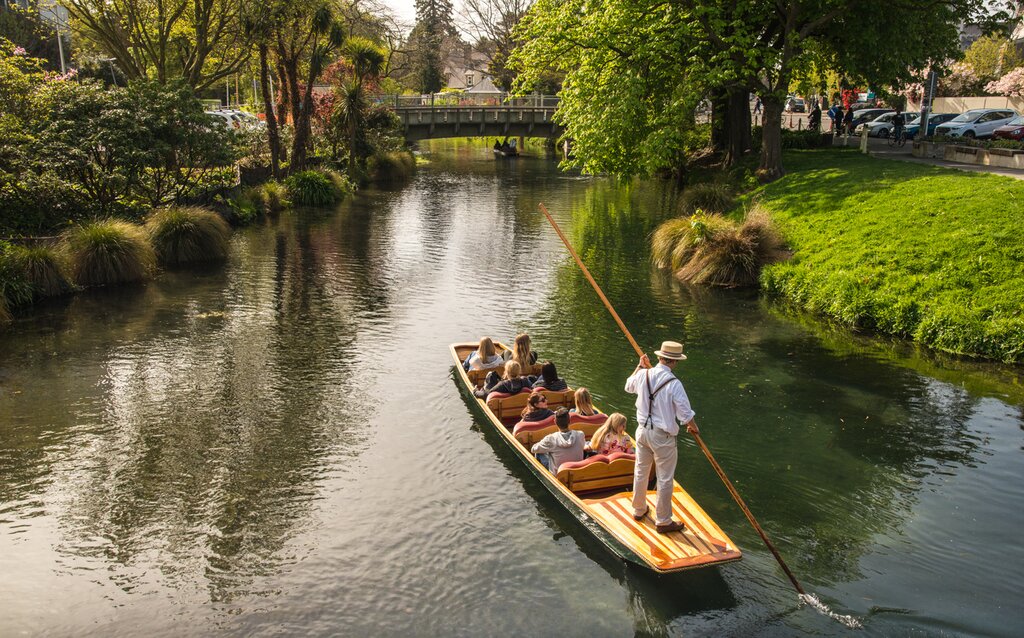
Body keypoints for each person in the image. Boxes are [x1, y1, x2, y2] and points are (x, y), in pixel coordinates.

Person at [625, 340, 699, 534]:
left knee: (641, 471)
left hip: (642, 432)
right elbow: (685, 414)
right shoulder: (674, 384)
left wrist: (639, 366)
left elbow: (628, 387)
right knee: (665, 478)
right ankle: (663, 521)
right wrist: (694, 428)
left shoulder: (643, 374)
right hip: (663, 437)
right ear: (674, 362)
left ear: (659, 358)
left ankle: (638, 509)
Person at [531, 408, 585, 473]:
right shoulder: (580, 434)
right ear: (570, 421)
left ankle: (542, 475)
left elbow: (533, 449)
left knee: (539, 452)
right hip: (577, 472)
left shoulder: (551, 438)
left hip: (558, 475)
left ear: (555, 422)